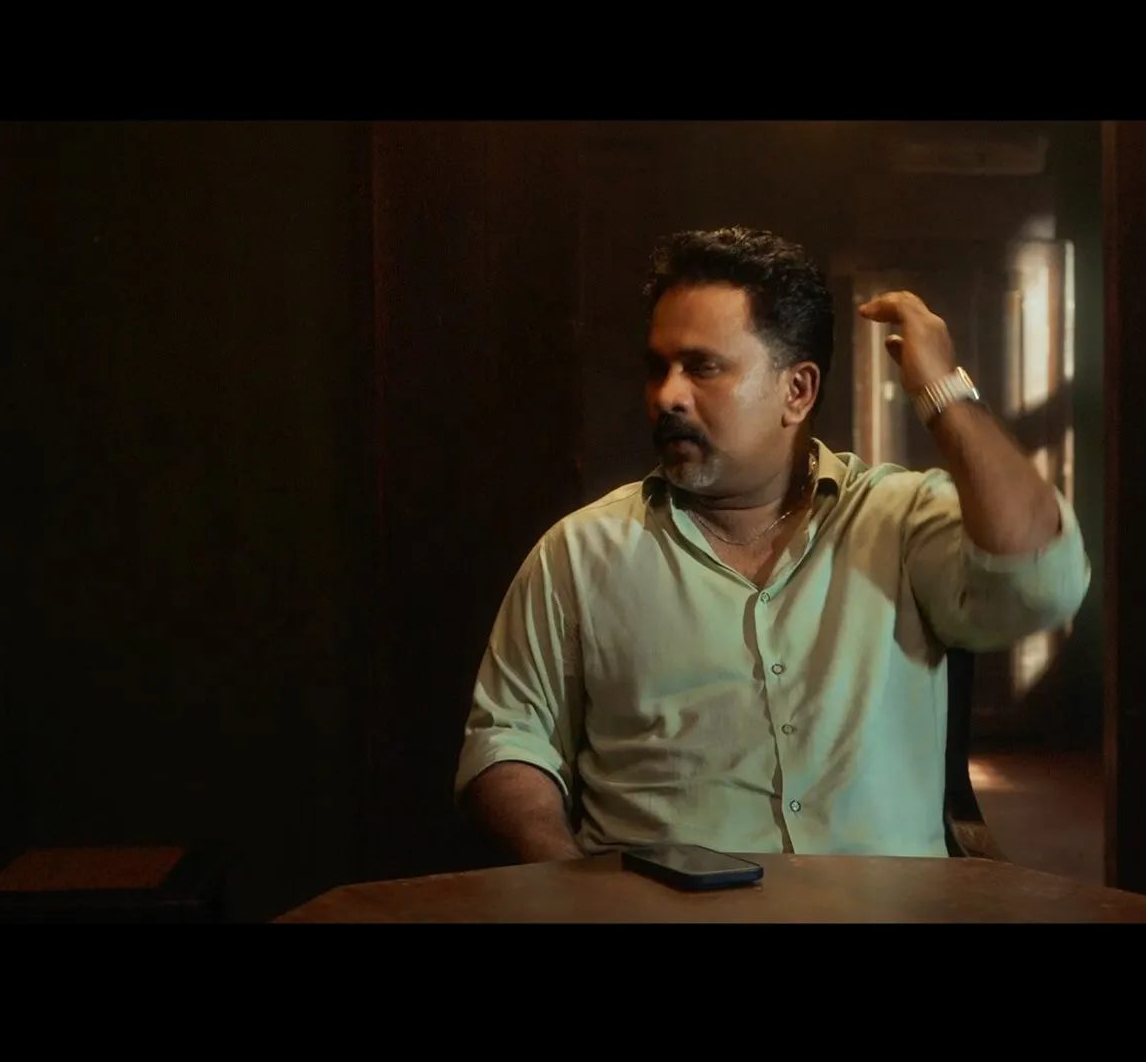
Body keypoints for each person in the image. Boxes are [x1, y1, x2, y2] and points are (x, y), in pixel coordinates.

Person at [454, 226, 1090, 863]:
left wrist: (943, 390)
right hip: (658, 906)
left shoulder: (896, 520)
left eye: (702, 367)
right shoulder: (583, 553)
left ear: (797, 391)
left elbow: (1041, 583)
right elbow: (506, 738)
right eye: (657, 369)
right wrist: (566, 882)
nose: (667, 396)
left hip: (880, 905)